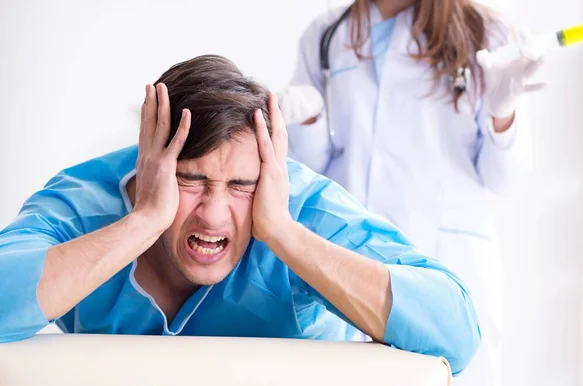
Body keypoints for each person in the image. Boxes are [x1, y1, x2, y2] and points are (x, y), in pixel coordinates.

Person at [0, 55, 480, 375]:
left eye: (240, 186)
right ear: (146, 160)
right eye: (190, 179)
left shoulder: (302, 206)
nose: (213, 214)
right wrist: (143, 221)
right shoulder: (85, 202)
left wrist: (286, 235)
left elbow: (455, 332)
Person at [279, 1, 546, 385]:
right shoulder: (325, 34)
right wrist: (307, 121)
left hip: (451, 256)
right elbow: (311, 172)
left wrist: (502, 113)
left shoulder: (486, 32)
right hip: (353, 260)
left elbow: (506, 179)